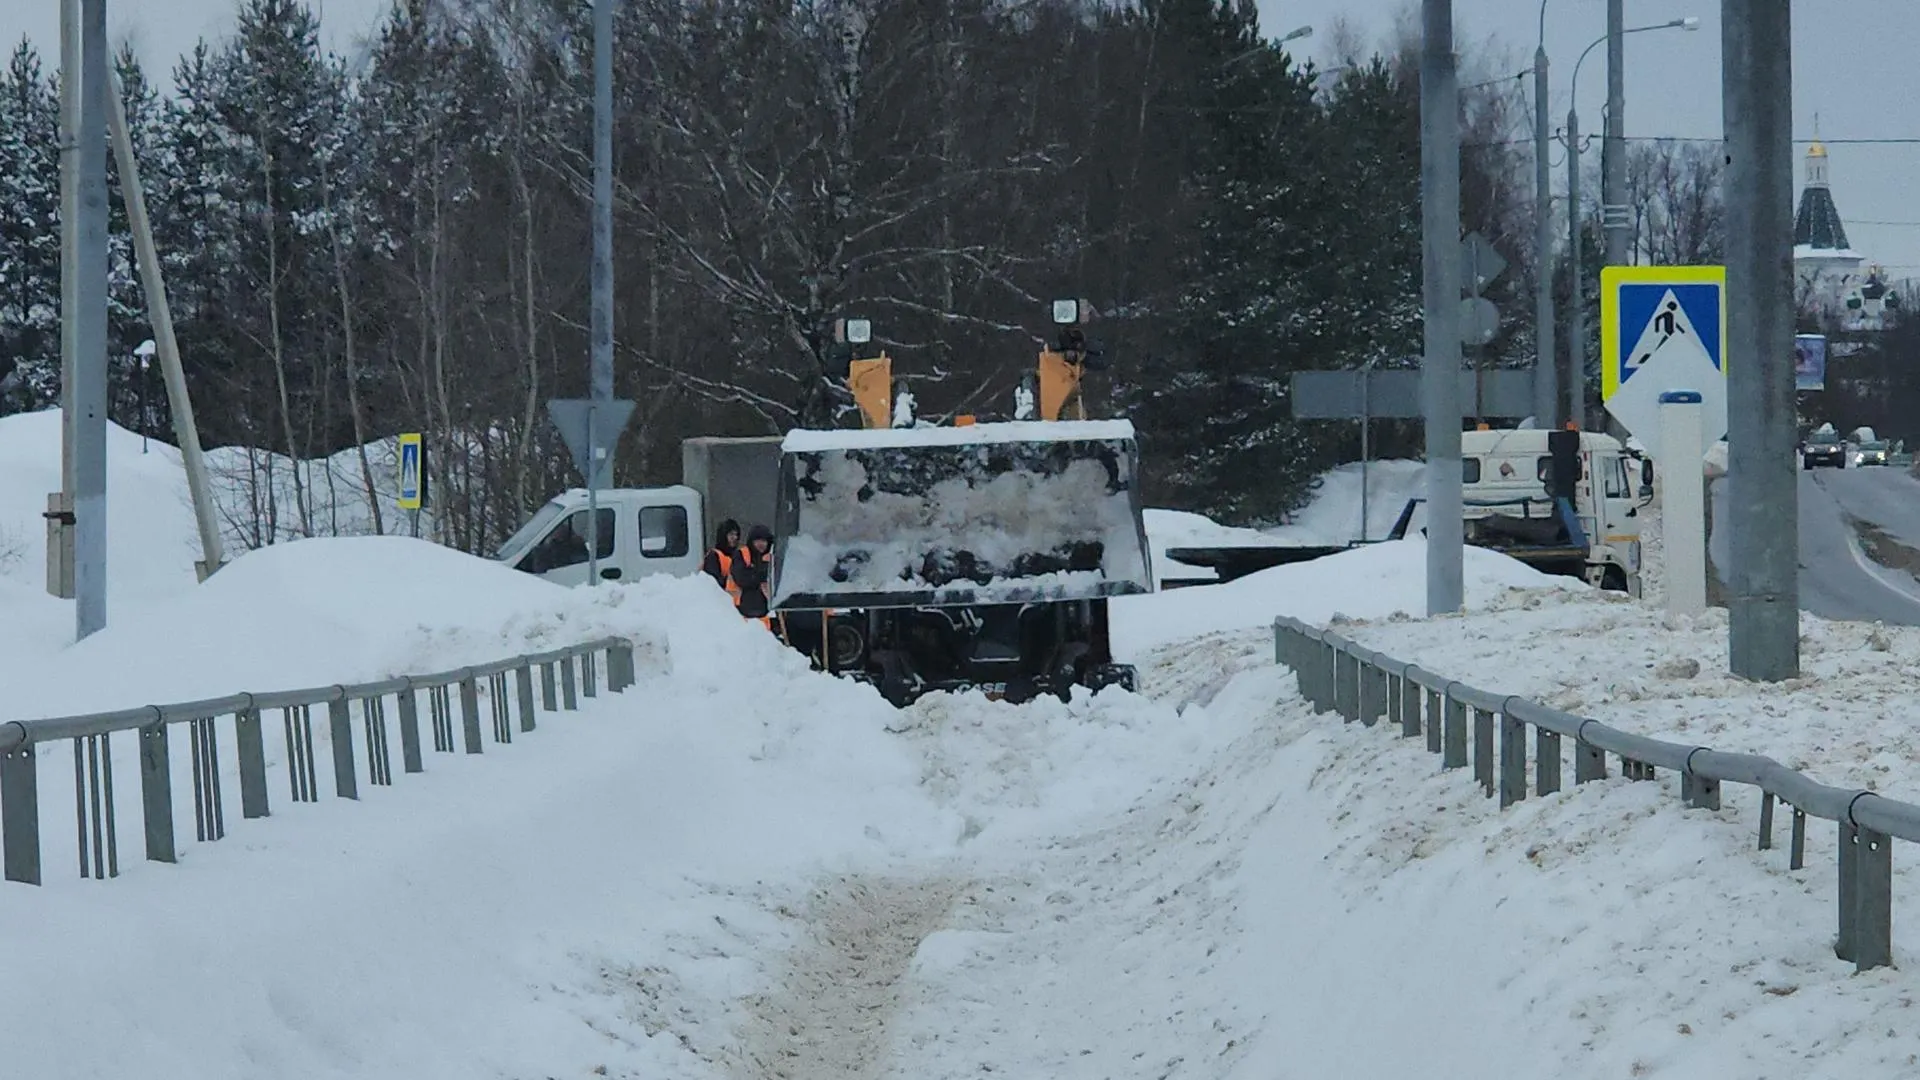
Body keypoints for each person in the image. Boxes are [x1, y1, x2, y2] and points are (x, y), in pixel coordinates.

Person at [731, 524, 776, 628]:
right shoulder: (741, 554)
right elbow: (741, 578)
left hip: (767, 614)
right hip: (741, 612)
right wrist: (762, 573)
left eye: (764, 541)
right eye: (757, 540)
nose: (761, 544)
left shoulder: (771, 557)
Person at [701, 519, 742, 590]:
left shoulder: (738, 556)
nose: (735, 537)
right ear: (723, 536)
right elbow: (712, 583)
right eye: (731, 534)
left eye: (736, 534)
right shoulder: (713, 556)